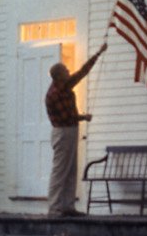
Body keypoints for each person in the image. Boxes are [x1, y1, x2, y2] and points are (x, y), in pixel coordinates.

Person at [45, 42, 107, 216]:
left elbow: (82, 72)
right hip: (63, 132)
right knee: (60, 170)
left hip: (70, 130)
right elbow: (66, 117)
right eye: (65, 70)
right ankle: (55, 207)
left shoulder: (64, 86)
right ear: (58, 77)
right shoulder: (54, 94)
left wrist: (98, 53)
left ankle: (68, 206)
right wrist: (83, 117)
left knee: (71, 168)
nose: (69, 71)